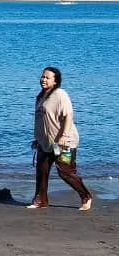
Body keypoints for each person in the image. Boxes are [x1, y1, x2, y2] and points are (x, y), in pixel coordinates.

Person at [29, 67, 92, 211]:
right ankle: (41, 201)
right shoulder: (40, 97)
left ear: (55, 81)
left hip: (63, 143)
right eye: (42, 77)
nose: (43, 79)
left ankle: (86, 196)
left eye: (47, 78)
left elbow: (68, 115)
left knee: (65, 171)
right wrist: (37, 138)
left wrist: (64, 135)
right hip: (46, 143)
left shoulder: (60, 94)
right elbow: (40, 120)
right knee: (42, 170)